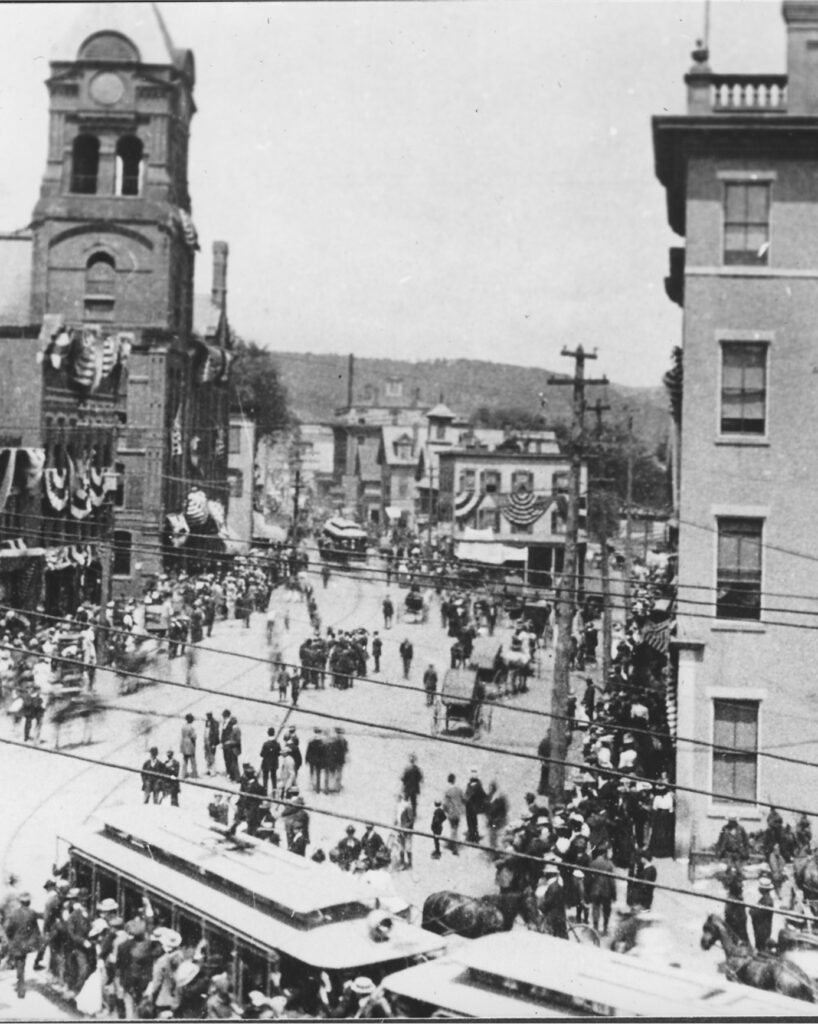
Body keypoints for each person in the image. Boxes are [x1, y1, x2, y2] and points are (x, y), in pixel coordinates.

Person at [5, 891, 41, 998]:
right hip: (27, 944)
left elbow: (8, 929)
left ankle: (20, 986)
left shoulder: (14, 913)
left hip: (16, 943)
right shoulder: (32, 913)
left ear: (20, 902)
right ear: (29, 902)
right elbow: (36, 930)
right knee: (21, 963)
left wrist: (11, 938)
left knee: (19, 964)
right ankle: (20, 981)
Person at [587, 844, 617, 936]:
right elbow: (612, 881)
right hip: (606, 891)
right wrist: (614, 894)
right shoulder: (609, 865)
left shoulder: (592, 863)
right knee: (606, 910)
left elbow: (589, 879)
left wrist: (588, 891)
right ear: (604, 853)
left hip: (595, 891)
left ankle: (595, 928)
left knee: (595, 908)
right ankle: (605, 928)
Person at [538, 859, 568, 939]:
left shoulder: (553, 887)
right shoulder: (556, 885)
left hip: (555, 916)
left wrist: (540, 907)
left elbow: (549, 901)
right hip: (559, 915)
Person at [442, 773, 465, 854]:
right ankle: (453, 843)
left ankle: (453, 845)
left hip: (451, 812)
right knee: (455, 828)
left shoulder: (447, 790)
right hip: (458, 812)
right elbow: (463, 799)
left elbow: (445, 803)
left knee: (453, 828)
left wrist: (445, 810)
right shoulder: (459, 789)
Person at [750, 878, 775, 951]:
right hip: (763, 928)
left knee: (761, 947)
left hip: (762, 929)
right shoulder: (765, 899)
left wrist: (752, 910)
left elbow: (755, 913)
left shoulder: (766, 901)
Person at [724, 876, 749, 945]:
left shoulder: (739, 897)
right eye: (739, 883)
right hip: (736, 929)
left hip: (742, 928)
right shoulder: (731, 899)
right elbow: (729, 916)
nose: (742, 886)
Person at [464, 768, 487, 843]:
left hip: (470, 807)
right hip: (474, 807)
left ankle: (473, 837)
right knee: (474, 822)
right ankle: (474, 836)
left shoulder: (470, 786)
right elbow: (484, 795)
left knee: (471, 822)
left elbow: (467, 795)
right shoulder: (478, 786)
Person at [221, 711, 242, 783]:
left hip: (234, 749)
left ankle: (237, 778)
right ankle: (233, 777)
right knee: (232, 763)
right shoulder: (234, 729)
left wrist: (229, 742)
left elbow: (237, 741)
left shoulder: (236, 729)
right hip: (231, 748)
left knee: (234, 764)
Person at [259, 728, 281, 795]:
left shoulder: (265, 744)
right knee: (274, 777)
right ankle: (274, 790)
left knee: (265, 777)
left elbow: (261, 754)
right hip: (274, 763)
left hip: (266, 763)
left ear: (268, 734)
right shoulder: (277, 744)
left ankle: (265, 791)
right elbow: (279, 753)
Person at [401, 753, 423, 818]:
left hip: (407, 788)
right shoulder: (417, 769)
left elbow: (403, 778)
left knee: (405, 801)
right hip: (414, 789)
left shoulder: (407, 769)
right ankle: (414, 814)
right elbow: (420, 778)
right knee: (414, 802)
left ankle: (404, 813)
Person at [305, 729, 325, 793]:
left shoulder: (311, 741)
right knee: (318, 774)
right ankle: (317, 788)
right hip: (318, 761)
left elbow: (308, 751)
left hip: (312, 760)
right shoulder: (322, 743)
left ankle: (312, 785)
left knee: (312, 773)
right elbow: (323, 754)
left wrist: (307, 759)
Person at [180, 714, 198, 780]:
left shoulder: (183, 726)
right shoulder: (191, 727)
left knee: (185, 760)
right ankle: (194, 774)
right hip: (190, 744)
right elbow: (194, 736)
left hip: (184, 744)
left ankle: (183, 774)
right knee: (193, 760)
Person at [203, 712, 219, 776]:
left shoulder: (215, 723)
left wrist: (214, 744)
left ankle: (213, 771)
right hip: (206, 742)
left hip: (211, 743)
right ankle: (208, 770)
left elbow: (216, 734)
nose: (207, 717)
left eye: (208, 716)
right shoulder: (207, 722)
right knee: (207, 757)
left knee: (212, 757)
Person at [537, 732, 551, 798]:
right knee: (545, 777)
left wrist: (542, 761)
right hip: (548, 763)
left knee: (544, 777)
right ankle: (543, 790)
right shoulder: (545, 742)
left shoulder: (544, 741)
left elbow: (539, 753)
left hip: (546, 763)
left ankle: (542, 790)